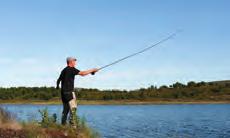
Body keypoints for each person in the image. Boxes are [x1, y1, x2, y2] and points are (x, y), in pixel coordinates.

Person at [56, 57, 98, 128]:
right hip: (70, 93)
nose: (75, 63)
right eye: (74, 61)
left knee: (65, 111)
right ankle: (73, 128)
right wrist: (92, 70)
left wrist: (57, 86)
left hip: (63, 94)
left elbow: (58, 80)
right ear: (70, 62)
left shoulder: (64, 70)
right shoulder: (71, 69)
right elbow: (83, 74)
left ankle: (63, 126)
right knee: (73, 110)